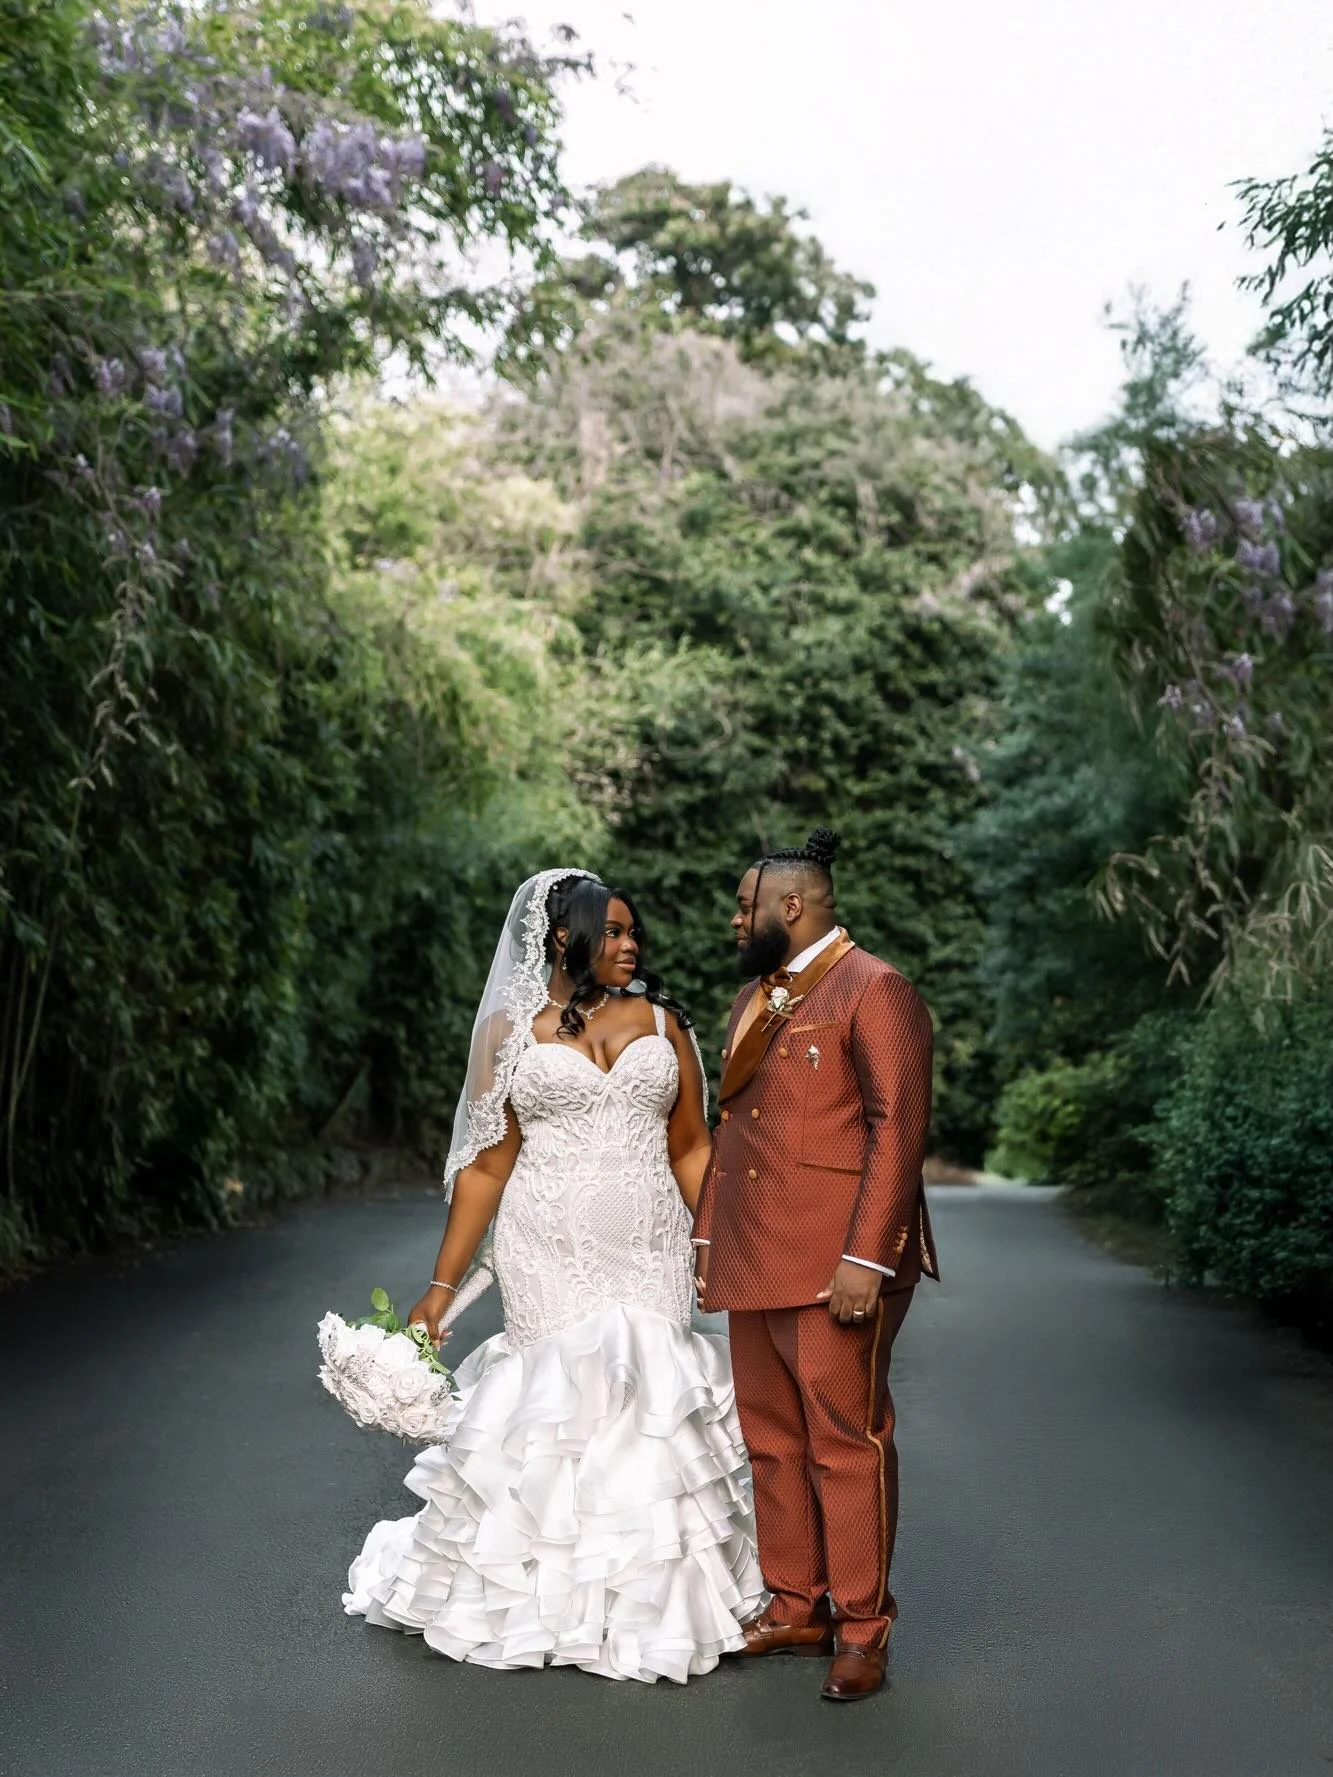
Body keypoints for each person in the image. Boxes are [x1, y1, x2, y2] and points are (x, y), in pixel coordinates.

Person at [344, 868, 763, 1683]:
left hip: (649, 1243)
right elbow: (486, 1167)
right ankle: (534, 1593)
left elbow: (691, 1146)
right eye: (610, 930)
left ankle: (653, 1603)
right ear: (562, 934)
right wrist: (440, 1284)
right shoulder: (509, 1032)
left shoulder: (662, 1022)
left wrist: (715, 1236)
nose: (629, 943)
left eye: (633, 931)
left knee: (648, 1397)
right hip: (546, 1244)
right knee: (557, 1405)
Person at [693, 829, 936, 1702]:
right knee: (770, 1439)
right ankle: (796, 1603)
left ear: (789, 905)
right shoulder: (752, 998)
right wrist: (709, 1242)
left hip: (839, 1259)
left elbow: (896, 1128)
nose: (734, 918)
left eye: (743, 903)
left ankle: (863, 1627)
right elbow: (735, 1137)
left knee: (845, 1440)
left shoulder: (876, 988)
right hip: (756, 1253)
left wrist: (867, 1254)